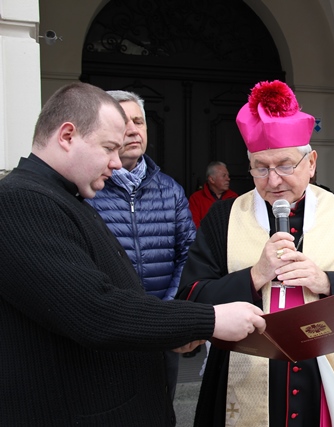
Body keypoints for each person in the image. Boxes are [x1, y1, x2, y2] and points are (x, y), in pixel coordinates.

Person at [0, 82, 266, 426]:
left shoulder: (64, 197)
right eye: (109, 148)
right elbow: (94, 311)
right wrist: (210, 319)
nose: (116, 163)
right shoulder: (21, 201)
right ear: (67, 136)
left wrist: (173, 329)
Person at [177, 80, 334, 427]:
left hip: (328, 380)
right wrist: (254, 277)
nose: (273, 181)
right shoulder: (223, 218)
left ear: (311, 163)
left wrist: (326, 281)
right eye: (260, 168)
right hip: (243, 378)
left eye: (285, 165)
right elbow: (191, 300)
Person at [86, 90, 194, 401]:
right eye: (124, 123)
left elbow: (188, 254)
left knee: (160, 408)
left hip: (162, 331)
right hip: (110, 330)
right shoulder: (88, 190)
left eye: (139, 121)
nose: (133, 130)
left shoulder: (170, 190)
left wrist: (166, 311)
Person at [189, 160, 239, 229]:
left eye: (228, 176)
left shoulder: (234, 198)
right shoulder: (196, 199)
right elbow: (194, 225)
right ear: (211, 179)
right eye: (224, 176)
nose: (228, 179)